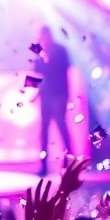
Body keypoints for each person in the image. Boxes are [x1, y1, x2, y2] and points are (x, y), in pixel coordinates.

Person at [33, 26, 73, 175]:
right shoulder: (40, 54)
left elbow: (62, 72)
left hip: (59, 95)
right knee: (44, 130)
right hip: (46, 97)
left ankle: (70, 162)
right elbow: (38, 75)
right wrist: (35, 94)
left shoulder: (60, 51)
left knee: (61, 127)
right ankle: (43, 166)